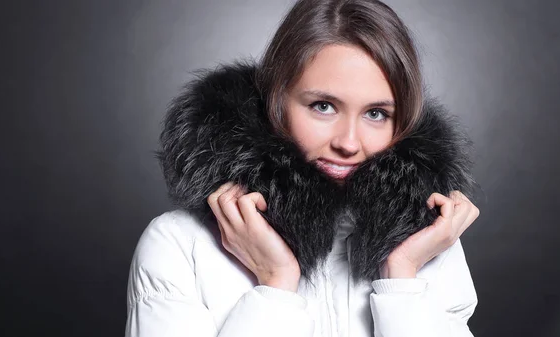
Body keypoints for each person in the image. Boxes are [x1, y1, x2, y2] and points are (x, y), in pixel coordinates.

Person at [125, 0, 482, 336]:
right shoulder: (178, 245)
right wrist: (276, 283)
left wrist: (402, 278)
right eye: (323, 106)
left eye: (376, 114)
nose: (349, 142)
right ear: (277, 101)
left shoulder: (428, 247)